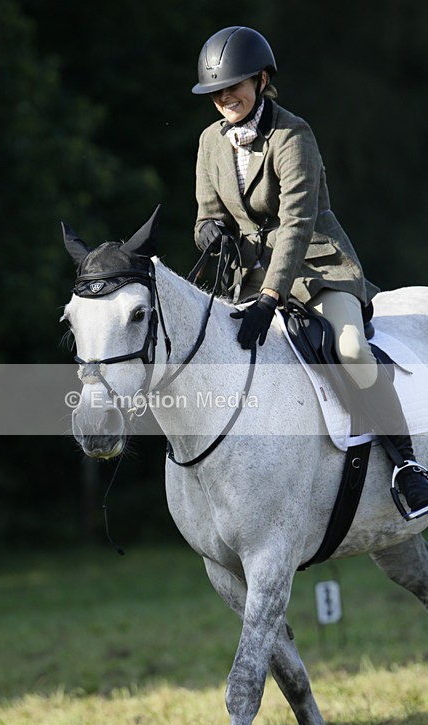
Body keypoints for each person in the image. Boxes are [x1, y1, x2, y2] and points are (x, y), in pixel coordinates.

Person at [192, 25, 428, 517]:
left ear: (260, 80)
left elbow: (296, 225)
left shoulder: (293, 134)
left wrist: (271, 298)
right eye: (216, 91)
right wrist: (209, 231)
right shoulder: (210, 142)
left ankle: (408, 465)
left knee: (349, 349)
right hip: (250, 277)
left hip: (317, 267)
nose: (224, 97)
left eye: (233, 86)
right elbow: (205, 214)